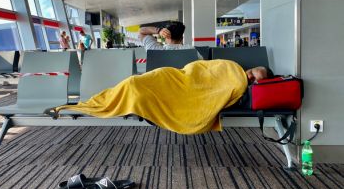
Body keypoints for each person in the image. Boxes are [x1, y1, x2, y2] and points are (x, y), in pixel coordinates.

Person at [56, 60, 273, 135]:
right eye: (253, 73)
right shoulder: (232, 67)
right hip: (174, 77)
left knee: (136, 93)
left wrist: (244, 85)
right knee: (133, 82)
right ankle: (92, 103)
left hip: (185, 92)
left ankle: (91, 105)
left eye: (255, 80)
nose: (250, 77)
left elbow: (219, 95)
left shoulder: (240, 87)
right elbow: (198, 69)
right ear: (251, 68)